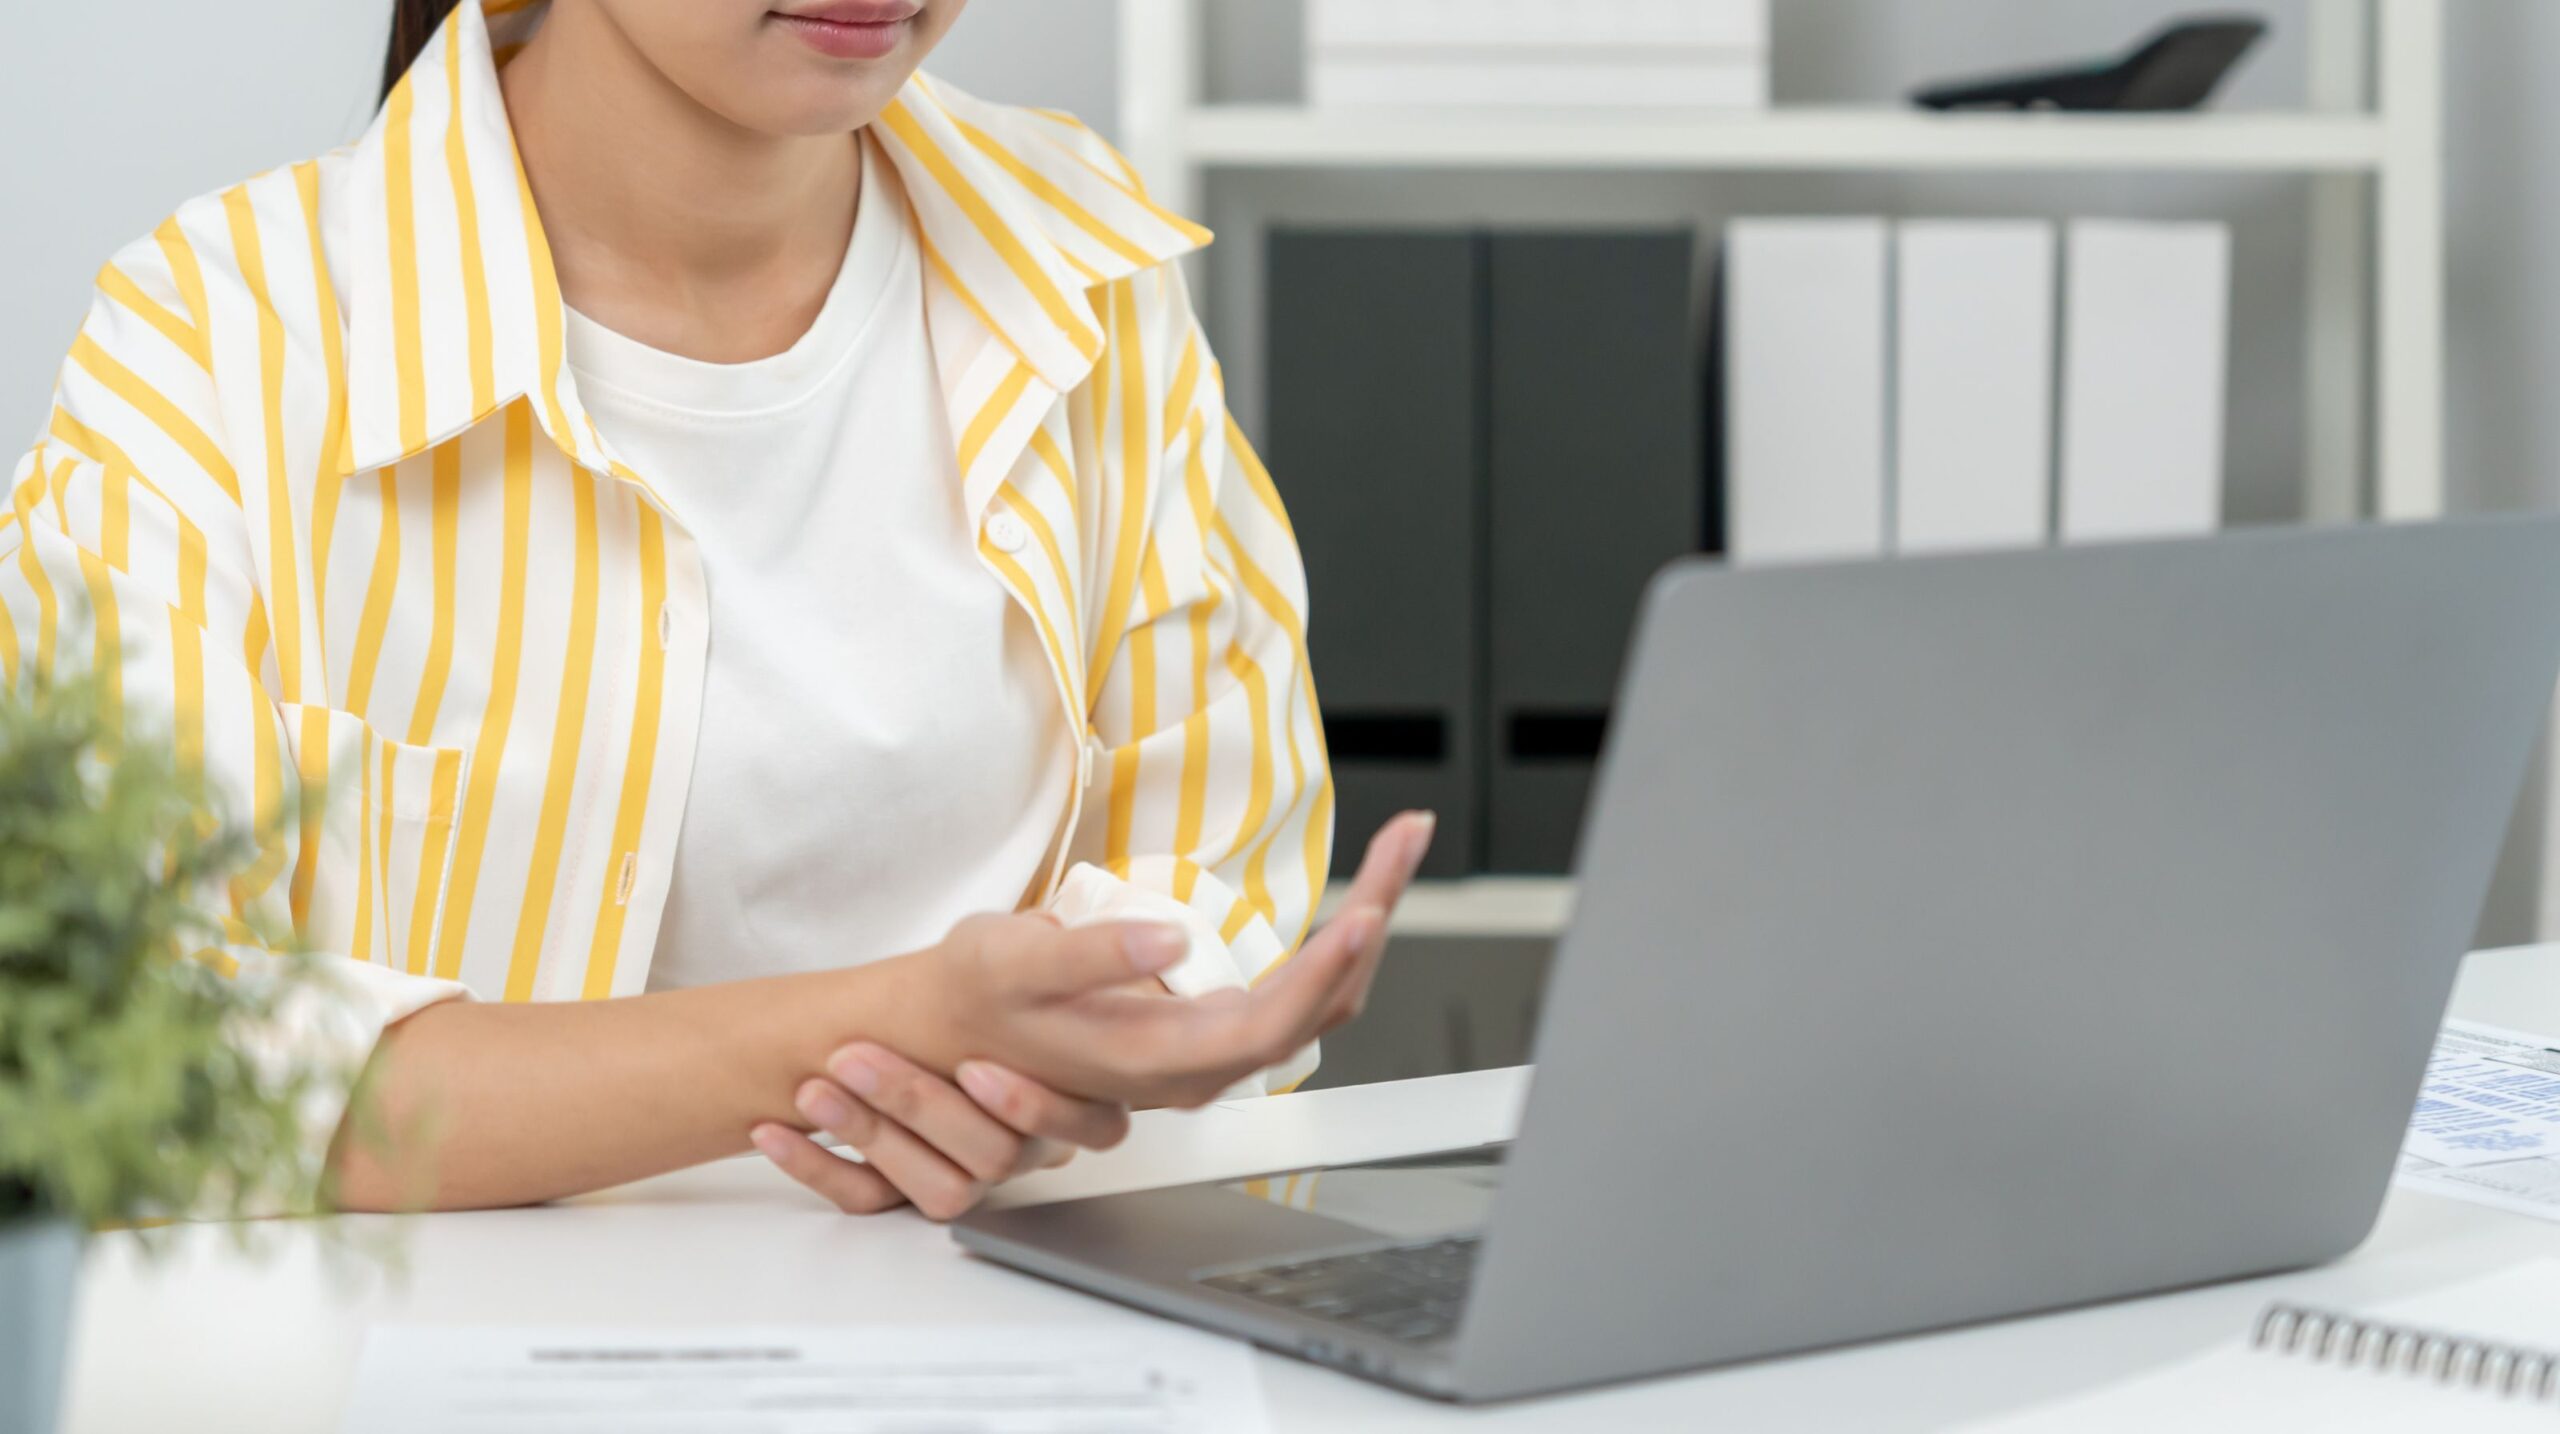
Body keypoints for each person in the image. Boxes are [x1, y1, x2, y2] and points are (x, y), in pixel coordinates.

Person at [2, 0, 1431, 1219]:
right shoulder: (215, 341)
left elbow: (1214, 885)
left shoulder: (1085, 266)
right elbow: (130, 1051)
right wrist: (882, 1034)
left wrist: (1072, 1054)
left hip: (1008, 1365)